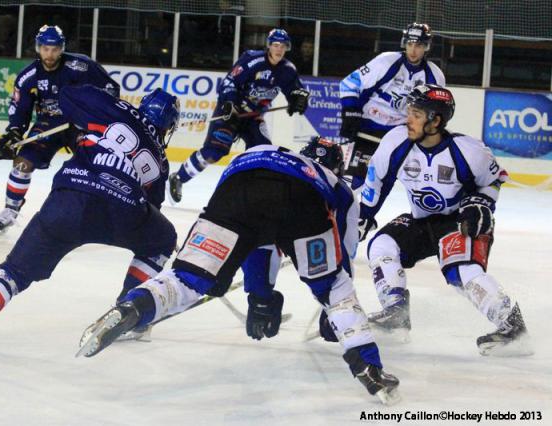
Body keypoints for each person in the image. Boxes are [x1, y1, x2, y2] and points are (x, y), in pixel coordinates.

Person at [77, 139, 401, 405]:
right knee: (336, 289)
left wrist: (260, 297)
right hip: (301, 201)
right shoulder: (334, 185)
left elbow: (252, 237)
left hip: (235, 191)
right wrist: (330, 304)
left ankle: (135, 306)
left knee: (188, 278)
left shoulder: (259, 153)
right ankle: (368, 366)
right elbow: (343, 254)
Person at [0, 85, 180, 346]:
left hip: (68, 201)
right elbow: (152, 208)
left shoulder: (111, 106)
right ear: (168, 127)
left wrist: (76, 128)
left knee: (14, 271)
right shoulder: (161, 160)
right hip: (122, 211)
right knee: (163, 239)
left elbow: (67, 95)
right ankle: (128, 309)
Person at [358, 84, 532, 356]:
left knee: (460, 270)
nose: (408, 120)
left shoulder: (468, 151)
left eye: (416, 114)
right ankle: (396, 314)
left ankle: (512, 326)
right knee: (382, 245)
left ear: (435, 120)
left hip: (458, 223)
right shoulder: (395, 143)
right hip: (420, 222)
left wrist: (480, 205)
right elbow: (378, 180)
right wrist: (363, 216)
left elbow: (493, 181)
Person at [0, 25, 119, 235]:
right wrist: (13, 133)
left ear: (62, 48)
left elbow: (111, 90)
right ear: (38, 48)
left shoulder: (81, 65)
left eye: (55, 49)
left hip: (79, 124)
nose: (50, 54)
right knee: (23, 162)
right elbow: (20, 109)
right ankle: (10, 209)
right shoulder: (28, 76)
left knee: (96, 163)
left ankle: (99, 211)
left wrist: (93, 114)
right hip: (48, 124)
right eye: (45, 49)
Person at [168, 28, 309, 203]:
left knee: (263, 152)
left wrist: (298, 101)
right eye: (275, 45)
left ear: (287, 48)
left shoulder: (288, 70)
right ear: (269, 46)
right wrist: (230, 105)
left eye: (283, 46)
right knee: (214, 151)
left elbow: (296, 91)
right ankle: (179, 177)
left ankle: (255, 194)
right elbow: (229, 81)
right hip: (231, 111)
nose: (279, 49)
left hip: (253, 117)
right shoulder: (252, 60)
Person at [339, 23, 445, 190]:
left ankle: (367, 214)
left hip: (400, 134)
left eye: (418, 45)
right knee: (354, 182)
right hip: (368, 128)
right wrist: (350, 113)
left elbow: (437, 111)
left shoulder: (435, 76)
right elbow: (349, 83)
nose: (413, 50)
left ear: (426, 47)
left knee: (387, 184)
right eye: (410, 44)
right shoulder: (386, 61)